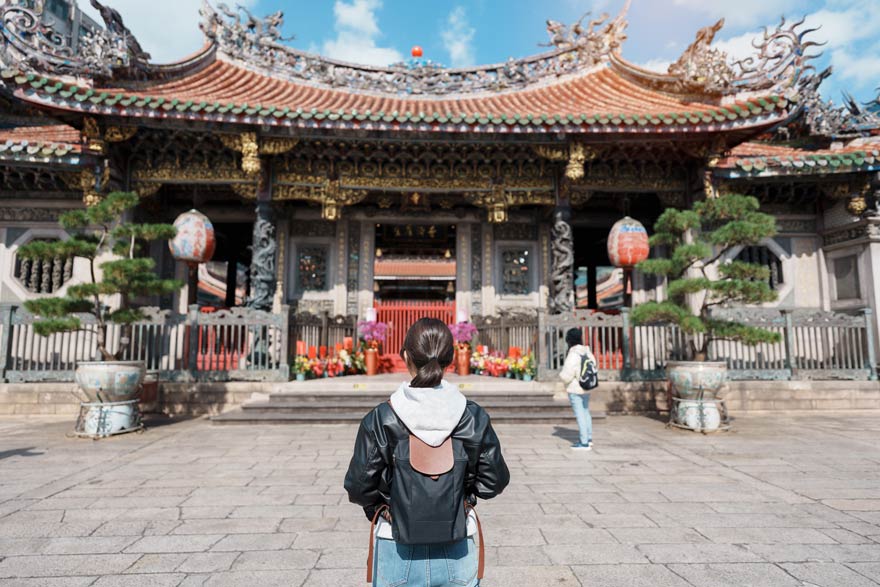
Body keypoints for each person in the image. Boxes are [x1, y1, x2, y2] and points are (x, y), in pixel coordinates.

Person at [344, 318, 510, 587]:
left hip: (395, 544)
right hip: (458, 546)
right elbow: (494, 482)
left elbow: (358, 486)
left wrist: (384, 507)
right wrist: (462, 497)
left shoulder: (381, 418)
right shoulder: (473, 416)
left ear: (405, 356)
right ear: (451, 358)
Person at [559, 327, 596, 451]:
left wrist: (562, 378)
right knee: (586, 412)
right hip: (587, 387)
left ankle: (584, 442)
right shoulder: (587, 352)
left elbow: (567, 374)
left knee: (580, 414)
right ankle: (589, 439)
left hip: (575, 388)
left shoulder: (573, 354)